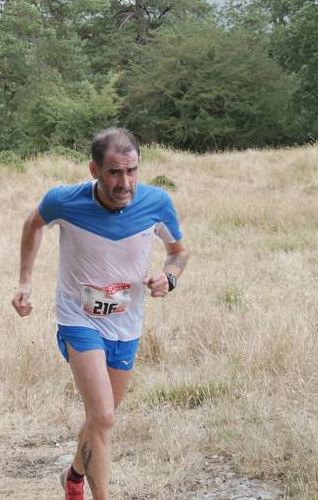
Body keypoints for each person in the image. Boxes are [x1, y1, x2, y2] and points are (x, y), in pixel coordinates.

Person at [11, 127, 190, 500]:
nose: (124, 182)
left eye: (132, 171)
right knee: (105, 416)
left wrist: (169, 278)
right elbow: (33, 223)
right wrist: (25, 281)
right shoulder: (64, 201)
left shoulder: (156, 203)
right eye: (113, 173)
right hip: (79, 318)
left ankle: (74, 476)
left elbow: (178, 253)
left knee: (99, 421)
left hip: (126, 324)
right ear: (94, 170)